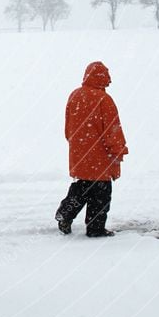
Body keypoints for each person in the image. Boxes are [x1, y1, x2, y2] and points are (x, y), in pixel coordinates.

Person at [55, 61, 128, 237]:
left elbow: (68, 128)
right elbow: (112, 129)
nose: (109, 81)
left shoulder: (75, 95)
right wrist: (118, 150)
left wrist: (78, 145)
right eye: (107, 77)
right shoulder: (104, 99)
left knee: (83, 187)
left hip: (80, 153)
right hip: (100, 157)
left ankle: (66, 212)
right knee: (100, 194)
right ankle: (95, 229)